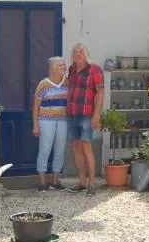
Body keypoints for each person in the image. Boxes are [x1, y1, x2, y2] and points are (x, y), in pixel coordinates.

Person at [66, 43, 104, 196]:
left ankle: (92, 184)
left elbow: (101, 93)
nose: (78, 54)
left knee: (87, 148)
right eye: (75, 52)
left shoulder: (94, 69)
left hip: (86, 114)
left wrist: (96, 115)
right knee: (75, 148)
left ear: (86, 54)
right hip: (72, 114)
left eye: (80, 52)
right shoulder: (72, 70)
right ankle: (82, 182)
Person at [32, 56, 69, 192]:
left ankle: (55, 181)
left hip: (63, 121)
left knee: (60, 151)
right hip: (46, 121)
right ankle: (42, 183)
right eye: (61, 65)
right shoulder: (43, 84)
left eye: (64, 65)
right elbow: (35, 106)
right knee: (45, 149)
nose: (64, 67)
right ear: (53, 68)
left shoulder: (67, 83)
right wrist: (35, 125)